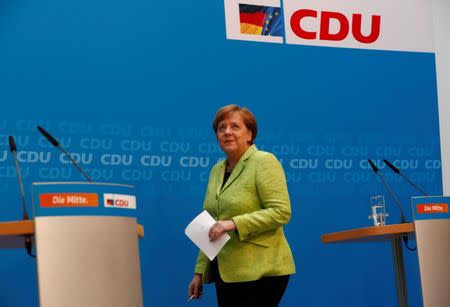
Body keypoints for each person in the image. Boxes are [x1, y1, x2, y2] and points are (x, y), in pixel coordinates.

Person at [188, 104, 296, 307]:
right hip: (226, 271)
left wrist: (233, 223)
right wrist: (199, 272)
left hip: (262, 270)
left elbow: (281, 212)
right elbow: (210, 224)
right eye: (221, 128)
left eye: (235, 126)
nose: (227, 132)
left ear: (250, 134)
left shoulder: (264, 161)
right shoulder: (216, 170)